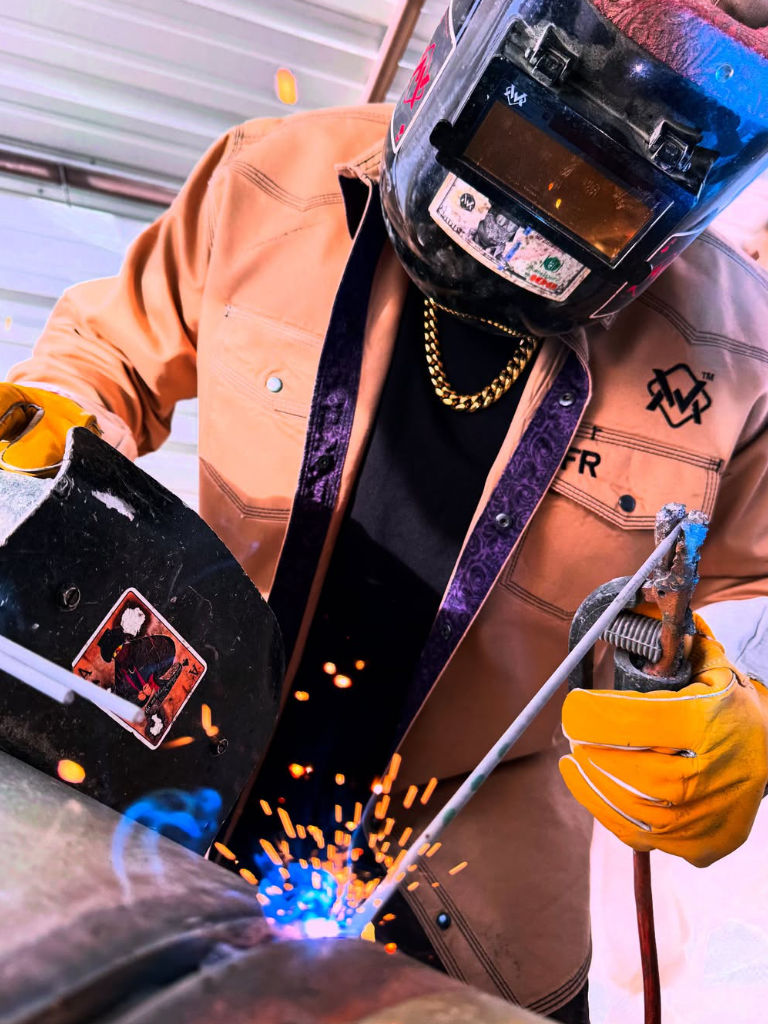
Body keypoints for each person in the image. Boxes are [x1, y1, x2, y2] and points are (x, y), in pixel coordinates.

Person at [2, 0, 768, 1019]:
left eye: (602, 204)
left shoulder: (738, 354)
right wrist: (56, 410)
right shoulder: (264, 181)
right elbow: (111, 349)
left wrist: (745, 721)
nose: (534, 220)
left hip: (475, 910)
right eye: (526, 155)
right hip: (183, 784)